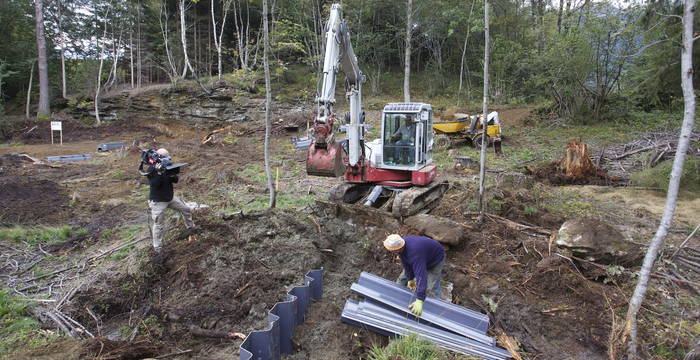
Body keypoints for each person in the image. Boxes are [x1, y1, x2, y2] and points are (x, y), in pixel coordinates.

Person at [383, 234, 445, 317]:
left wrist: (420, 299)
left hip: (435, 257)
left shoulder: (415, 254)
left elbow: (421, 276)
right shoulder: (401, 245)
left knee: (432, 285)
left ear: (399, 248)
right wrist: (410, 278)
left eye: (392, 250)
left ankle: (438, 309)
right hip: (422, 255)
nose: (391, 252)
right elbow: (406, 264)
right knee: (402, 279)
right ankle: (397, 299)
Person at [147, 148, 194, 251]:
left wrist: (173, 172)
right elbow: (154, 185)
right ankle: (157, 247)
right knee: (159, 224)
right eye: (165, 156)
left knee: (186, 209)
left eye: (168, 156)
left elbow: (175, 180)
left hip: (170, 198)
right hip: (158, 201)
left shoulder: (167, 165)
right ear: (158, 157)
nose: (168, 158)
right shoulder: (152, 169)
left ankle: (191, 228)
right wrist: (159, 173)